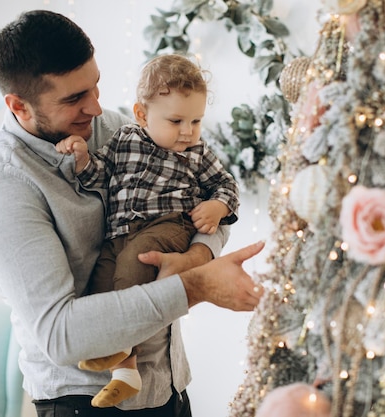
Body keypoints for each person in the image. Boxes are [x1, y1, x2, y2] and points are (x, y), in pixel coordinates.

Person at [0, 9, 263, 417]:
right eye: (74, 99)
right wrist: (196, 285)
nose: (96, 107)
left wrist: (198, 255)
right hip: (82, 401)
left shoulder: (118, 131)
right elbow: (61, 334)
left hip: (169, 382)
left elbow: (195, 197)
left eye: (95, 87)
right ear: (19, 105)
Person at [54, 53, 240, 408]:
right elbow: (99, 178)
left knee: (132, 267)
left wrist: (217, 207)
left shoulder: (196, 153)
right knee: (102, 284)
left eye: (196, 121)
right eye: (176, 120)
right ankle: (125, 369)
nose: (187, 131)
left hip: (168, 225)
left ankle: (126, 351)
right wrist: (80, 159)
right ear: (142, 115)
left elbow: (226, 186)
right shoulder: (124, 138)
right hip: (120, 230)